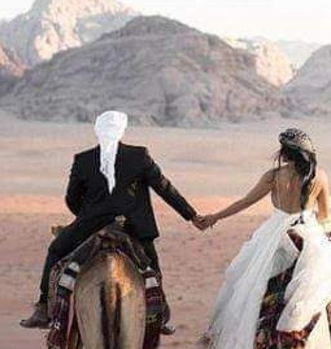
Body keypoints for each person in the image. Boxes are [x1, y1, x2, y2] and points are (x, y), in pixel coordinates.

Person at [185, 128, 331, 349]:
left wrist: (213, 217)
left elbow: (243, 202)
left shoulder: (273, 176)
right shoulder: (320, 177)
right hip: (307, 233)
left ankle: (233, 343)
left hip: (271, 238)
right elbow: (322, 214)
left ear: (284, 153)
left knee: (242, 288)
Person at [20, 111, 206, 331]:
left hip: (90, 226)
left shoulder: (83, 159)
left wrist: (86, 216)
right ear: (122, 131)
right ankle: (158, 312)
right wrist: (192, 215)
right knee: (151, 265)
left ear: (98, 131)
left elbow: (71, 198)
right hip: (132, 226)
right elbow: (165, 188)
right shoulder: (140, 156)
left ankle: (43, 307)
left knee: (55, 250)